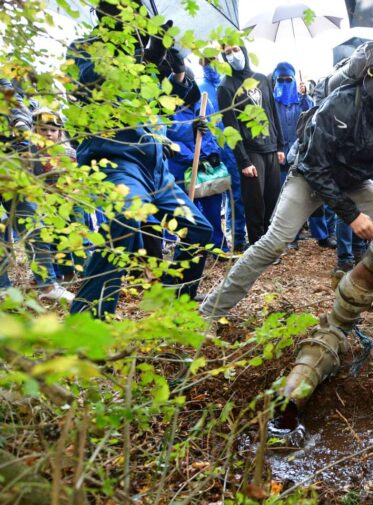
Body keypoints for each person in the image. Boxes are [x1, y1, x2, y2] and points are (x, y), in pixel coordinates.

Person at [200, 55, 373, 338]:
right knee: (274, 242)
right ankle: (209, 313)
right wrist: (351, 215)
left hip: (356, 179)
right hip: (310, 175)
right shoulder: (342, 105)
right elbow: (315, 165)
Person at [68, 3, 213, 317]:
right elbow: (92, 82)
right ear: (108, 14)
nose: (135, 21)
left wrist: (173, 68)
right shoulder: (84, 48)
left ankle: (178, 303)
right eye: (126, 12)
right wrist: (140, 55)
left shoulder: (142, 53)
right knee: (125, 221)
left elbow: (169, 104)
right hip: (115, 160)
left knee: (199, 230)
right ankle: (86, 318)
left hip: (154, 167)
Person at [0, 81, 75, 302]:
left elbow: (15, 102)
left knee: (34, 225)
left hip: (16, 172)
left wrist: (23, 126)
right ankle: (3, 287)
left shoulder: (9, 88)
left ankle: (48, 284)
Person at [218, 45, 285, 245]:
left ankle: (269, 242)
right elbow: (231, 127)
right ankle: (258, 245)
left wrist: (280, 146)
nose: (233, 55)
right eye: (227, 52)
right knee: (255, 204)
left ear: (245, 51)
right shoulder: (226, 87)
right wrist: (244, 161)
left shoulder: (262, 79)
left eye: (235, 49)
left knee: (272, 199)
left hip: (271, 148)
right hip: (250, 152)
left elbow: (273, 113)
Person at [271, 61, 335, 250]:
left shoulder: (302, 99)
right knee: (287, 196)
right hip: (282, 156)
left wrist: (305, 95)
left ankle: (321, 234)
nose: (284, 83)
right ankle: (292, 236)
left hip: (305, 153)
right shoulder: (273, 102)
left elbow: (314, 115)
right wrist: (277, 148)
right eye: (280, 80)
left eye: (288, 79)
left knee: (314, 193)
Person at [165, 77, 227, 254]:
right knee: (188, 213)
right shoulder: (169, 107)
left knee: (213, 208)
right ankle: (191, 250)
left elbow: (212, 132)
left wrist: (212, 154)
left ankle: (218, 246)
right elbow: (170, 139)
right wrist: (193, 158)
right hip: (182, 168)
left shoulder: (203, 102)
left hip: (207, 167)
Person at [32, 108, 94, 281]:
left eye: (53, 130)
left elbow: (80, 179)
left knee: (78, 237)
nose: (48, 133)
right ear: (35, 130)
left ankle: (87, 273)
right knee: (58, 238)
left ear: (59, 131)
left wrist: (72, 194)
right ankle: (66, 274)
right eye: (43, 129)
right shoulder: (32, 154)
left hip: (73, 200)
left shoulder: (69, 152)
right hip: (48, 202)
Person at [199, 57, 247, 252]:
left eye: (214, 60)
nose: (211, 64)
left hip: (231, 145)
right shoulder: (200, 88)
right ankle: (216, 242)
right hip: (210, 150)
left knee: (237, 195)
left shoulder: (227, 84)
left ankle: (237, 237)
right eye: (207, 61)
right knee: (213, 196)